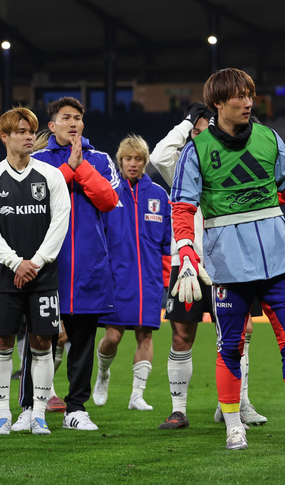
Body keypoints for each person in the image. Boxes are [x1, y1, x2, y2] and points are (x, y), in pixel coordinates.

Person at [170, 67, 285, 451]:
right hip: (228, 267)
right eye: (240, 96)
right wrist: (187, 255)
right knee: (230, 348)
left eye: (251, 94)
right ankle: (234, 426)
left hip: (277, 261)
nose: (249, 102)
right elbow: (183, 208)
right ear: (218, 102)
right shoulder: (196, 150)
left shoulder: (269, 138)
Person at [150, 102, 266, 430]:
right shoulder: (183, 168)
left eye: (205, 132)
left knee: (240, 333)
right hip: (187, 264)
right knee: (182, 335)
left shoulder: (230, 167)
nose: (200, 139)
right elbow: (158, 156)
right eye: (194, 134)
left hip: (231, 265)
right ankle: (179, 409)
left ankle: (237, 403)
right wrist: (186, 123)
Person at [0, 107, 70, 436]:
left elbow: (60, 223)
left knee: (44, 340)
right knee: (2, 340)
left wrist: (37, 262)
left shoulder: (51, 176)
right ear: (5, 137)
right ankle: (3, 415)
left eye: (32, 131)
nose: (30, 136)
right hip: (3, 275)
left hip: (43, 275)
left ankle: (39, 414)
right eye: (22, 131)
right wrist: (16, 263)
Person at [30, 97, 119, 431]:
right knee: (41, 339)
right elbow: (38, 195)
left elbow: (109, 200)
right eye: (65, 118)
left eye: (78, 118)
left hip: (87, 265)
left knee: (82, 340)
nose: (73, 123)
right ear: (51, 126)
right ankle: (33, 406)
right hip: (47, 263)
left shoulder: (100, 159)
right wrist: (71, 166)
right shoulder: (36, 160)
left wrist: (82, 167)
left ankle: (76, 408)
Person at [92, 135, 170, 412]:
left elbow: (167, 242)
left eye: (138, 159)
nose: (133, 164)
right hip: (116, 279)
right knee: (113, 336)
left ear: (145, 162)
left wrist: (165, 278)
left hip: (148, 280)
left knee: (145, 336)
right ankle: (102, 375)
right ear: (120, 161)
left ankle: (137, 394)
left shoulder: (160, 196)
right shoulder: (109, 194)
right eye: (128, 159)